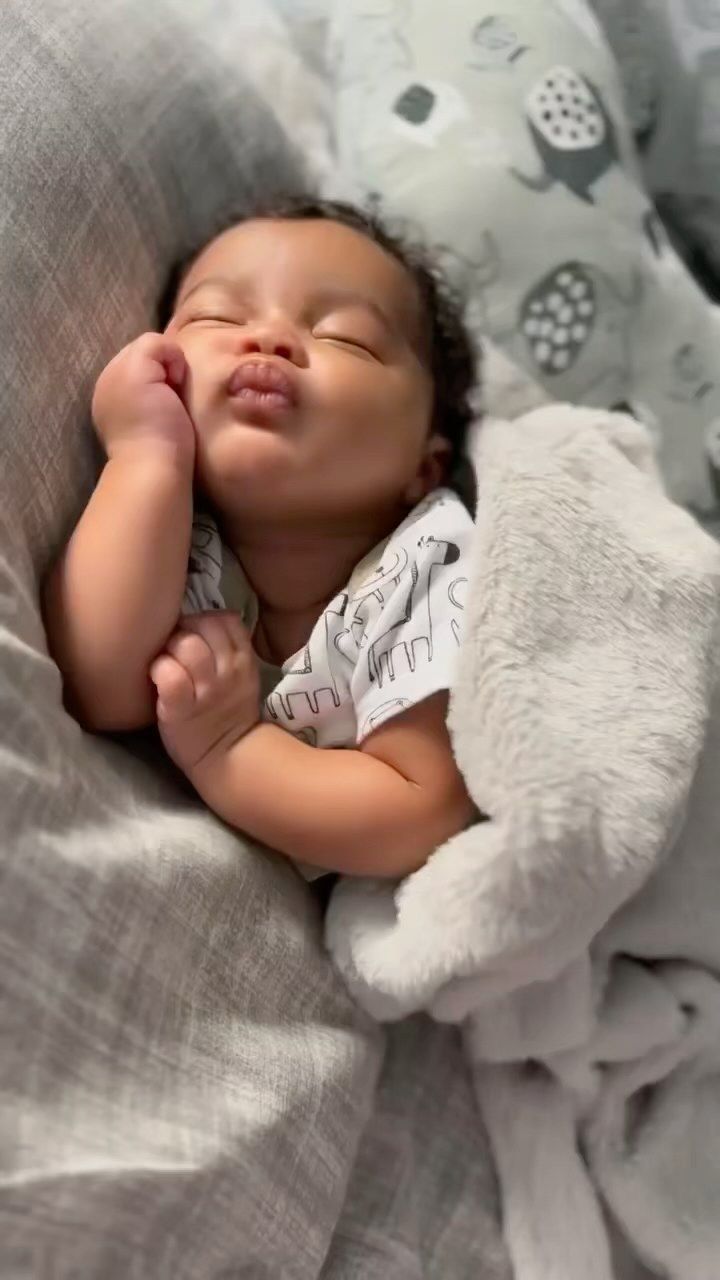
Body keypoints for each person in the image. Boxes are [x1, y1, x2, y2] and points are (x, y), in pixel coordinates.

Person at [42, 197, 478, 878]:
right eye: (217, 316)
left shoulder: (428, 560)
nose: (269, 339)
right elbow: (96, 688)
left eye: (347, 337)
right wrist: (145, 455)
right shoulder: (179, 537)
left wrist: (231, 748)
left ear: (425, 464)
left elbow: (421, 812)